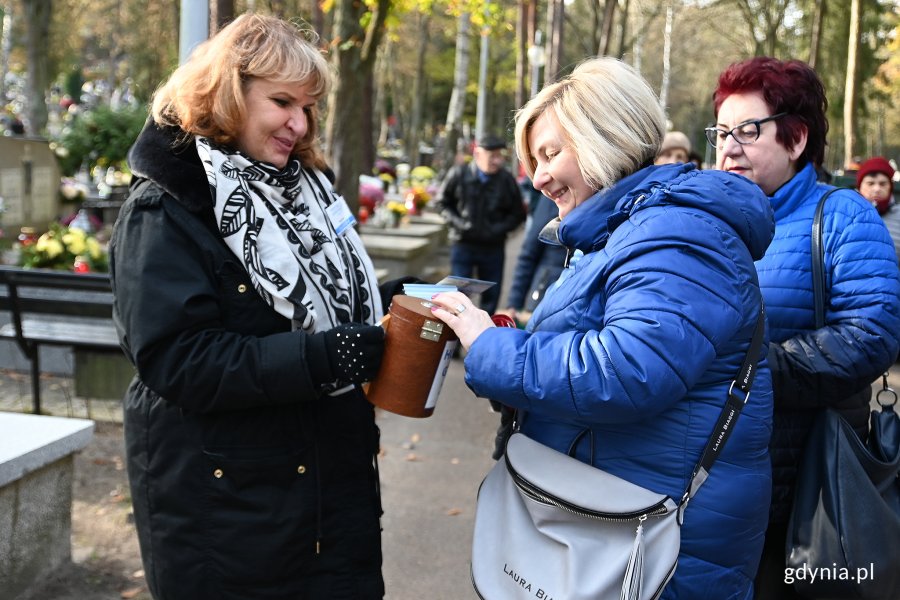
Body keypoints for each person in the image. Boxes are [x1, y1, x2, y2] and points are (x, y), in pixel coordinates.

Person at [430, 56, 775, 599]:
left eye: (550, 154)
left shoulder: (677, 235)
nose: (537, 177)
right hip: (612, 522)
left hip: (654, 543)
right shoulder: (624, 232)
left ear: (604, 141)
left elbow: (627, 370)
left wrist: (493, 348)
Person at [110, 13, 415, 599]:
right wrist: (326, 359)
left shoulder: (303, 192)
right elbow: (179, 359)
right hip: (230, 518)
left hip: (323, 495)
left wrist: (394, 303)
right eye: (282, 102)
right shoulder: (166, 206)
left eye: (308, 108)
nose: (298, 125)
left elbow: (318, 309)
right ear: (228, 92)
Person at [708, 56, 900, 599]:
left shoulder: (841, 216)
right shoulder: (706, 222)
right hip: (711, 484)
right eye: (721, 131)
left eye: (747, 130)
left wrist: (750, 372)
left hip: (804, 491)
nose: (728, 147)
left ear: (796, 140)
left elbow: (871, 334)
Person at [436, 134, 526, 314]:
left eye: (499, 156)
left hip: (493, 247)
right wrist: (460, 224)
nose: (497, 160)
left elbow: (518, 213)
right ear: (477, 154)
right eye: (492, 155)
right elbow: (442, 203)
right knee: (457, 294)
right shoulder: (459, 173)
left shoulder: (506, 180)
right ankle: (454, 336)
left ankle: (484, 335)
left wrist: (498, 229)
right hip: (463, 243)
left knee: (491, 295)